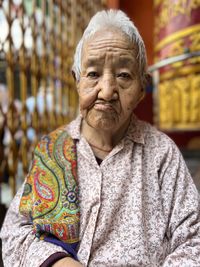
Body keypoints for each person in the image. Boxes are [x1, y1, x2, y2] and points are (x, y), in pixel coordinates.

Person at [1, 9, 200, 267]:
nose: (106, 91)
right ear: (77, 80)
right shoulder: (53, 149)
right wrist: (57, 262)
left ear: (142, 88)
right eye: (93, 74)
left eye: (124, 76)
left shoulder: (162, 154)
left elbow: (194, 242)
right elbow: (14, 233)